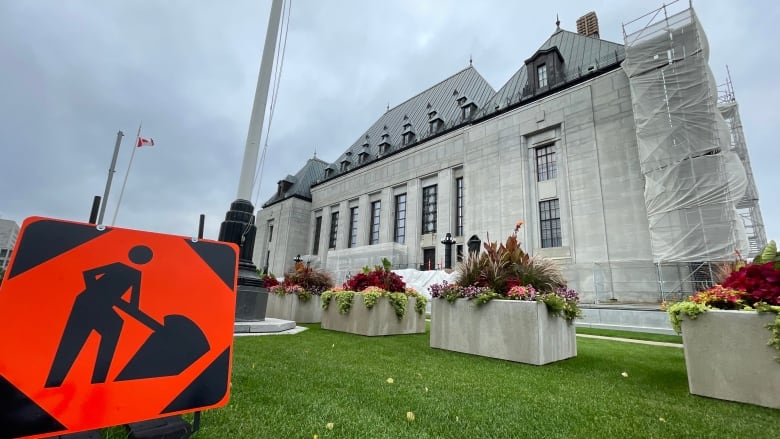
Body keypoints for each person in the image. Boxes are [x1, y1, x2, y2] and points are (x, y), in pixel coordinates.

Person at [45, 245, 153, 387]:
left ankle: (98, 381)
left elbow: (132, 307)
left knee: (115, 325)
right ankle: (54, 380)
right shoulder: (117, 266)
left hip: (104, 307)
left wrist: (150, 323)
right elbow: (88, 274)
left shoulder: (136, 276)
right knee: (73, 340)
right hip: (86, 301)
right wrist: (97, 292)